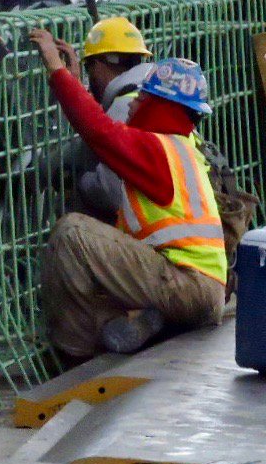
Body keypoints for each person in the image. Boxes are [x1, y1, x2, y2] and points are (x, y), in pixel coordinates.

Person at [29, 27, 226, 361]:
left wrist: (55, 67)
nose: (134, 102)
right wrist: (77, 83)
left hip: (187, 283)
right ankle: (141, 323)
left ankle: (74, 355)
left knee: (72, 233)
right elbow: (108, 132)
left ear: (161, 106)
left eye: (143, 97)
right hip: (199, 285)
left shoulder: (157, 149)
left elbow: (100, 132)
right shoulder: (181, 145)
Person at [69, 18, 154, 218]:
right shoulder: (155, 96)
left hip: (150, 229)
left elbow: (110, 194)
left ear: (98, 65)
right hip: (184, 223)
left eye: (88, 67)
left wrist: (79, 181)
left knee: (71, 223)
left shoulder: (124, 107)